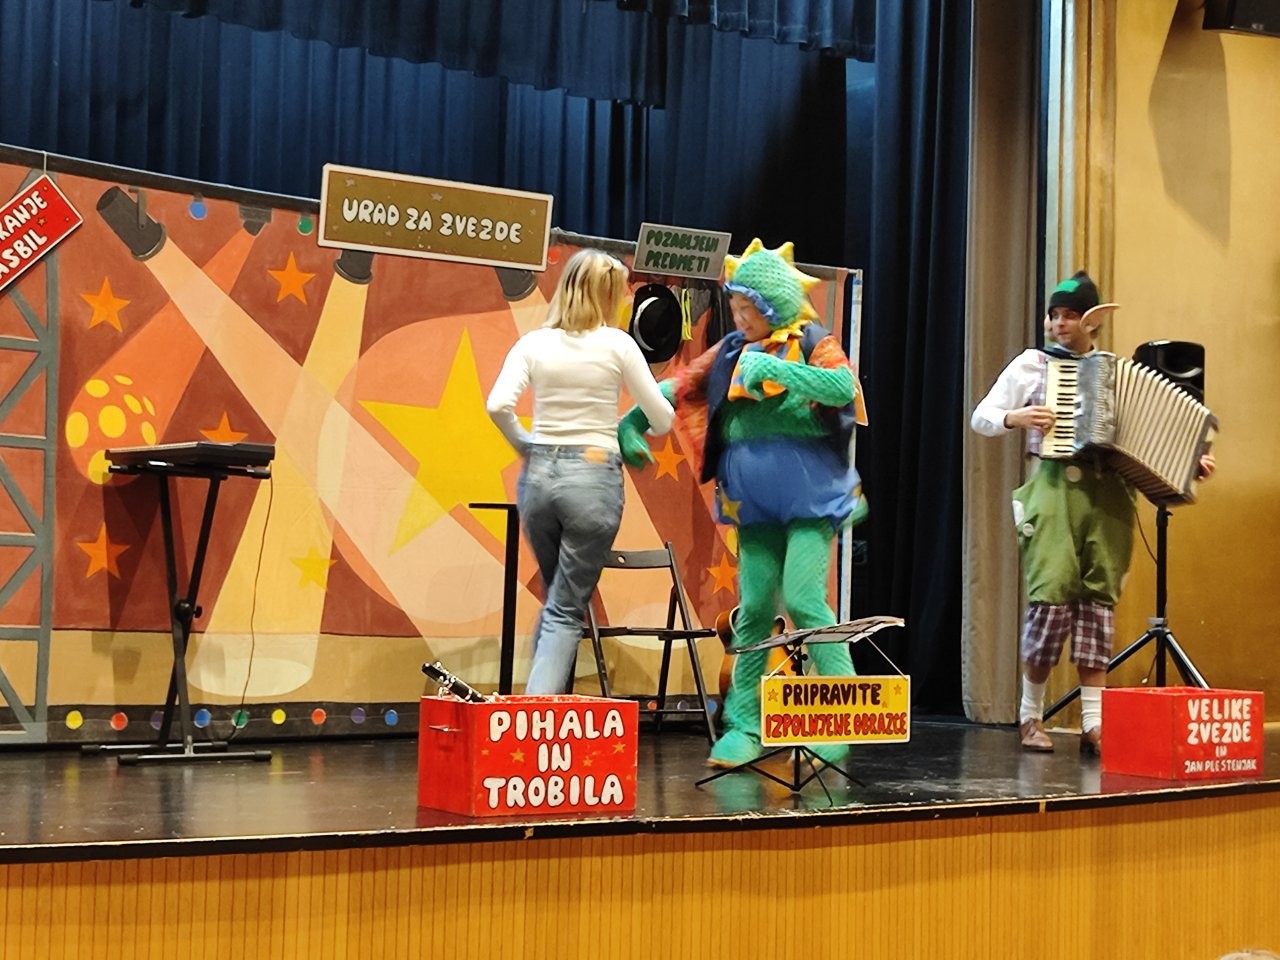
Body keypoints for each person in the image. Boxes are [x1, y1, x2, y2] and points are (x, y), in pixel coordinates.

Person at [619, 239, 868, 768]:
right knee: (753, 609)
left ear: (772, 305)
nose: (739, 317)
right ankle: (743, 727)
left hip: (809, 497)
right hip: (754, 502)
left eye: (747, 308)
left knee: (804, 600)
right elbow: (681, 383)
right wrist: (635, 419)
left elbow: (842, 386)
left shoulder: (812, 341)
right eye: (734, 307)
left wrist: (783, 373)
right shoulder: (732, 349)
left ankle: (837, 721)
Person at [971, 270, 1215, 757]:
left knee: (1097, 608)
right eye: (1054, 315)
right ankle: (1030, 716)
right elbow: (982, 417)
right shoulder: (1033, 366)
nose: (1058, 324)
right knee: (1049, 601)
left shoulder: (1117, 374)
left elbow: (1155, 435)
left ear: (1092, 322)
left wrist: (1191, 463)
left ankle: (1093, 723)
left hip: (1109, 496)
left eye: (1069, 315)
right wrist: (1016, 417)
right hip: (1053, 490)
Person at [486, 248, 675, 694]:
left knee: (557, 600)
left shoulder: (533, 344)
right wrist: (635, 422)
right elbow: (663, 419)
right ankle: (536, 716)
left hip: (539, 480)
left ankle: (539, 708)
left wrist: (525, 445)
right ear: (607, 295)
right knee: (565, 609)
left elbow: (497, 405)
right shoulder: (618, 345)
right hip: (592, 479)